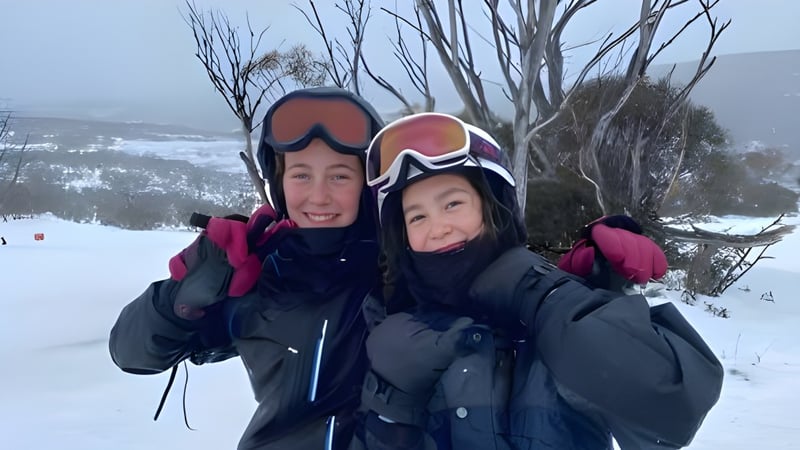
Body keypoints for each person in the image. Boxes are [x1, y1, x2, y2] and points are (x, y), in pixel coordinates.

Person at [355, 113, 723, 449]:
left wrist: (548, 295)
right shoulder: (391, 321)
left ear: (493, 208)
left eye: (452, 204)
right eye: (417, 218)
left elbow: (674, 408)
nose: (438, 228)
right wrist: (392, 407)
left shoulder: (553, 323)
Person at [109, 87, 387, 450]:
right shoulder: (258, 277)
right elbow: (133, 355)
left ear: (366, 185)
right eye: (301, 175)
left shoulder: (400, 269)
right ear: (280, 184)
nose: (319, 196)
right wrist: (182, 297)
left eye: (339, 177)